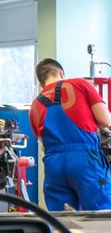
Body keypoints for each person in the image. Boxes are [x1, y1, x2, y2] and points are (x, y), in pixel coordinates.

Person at [29, 58, 111, 211]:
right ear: (61, 73)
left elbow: (42, 140)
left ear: (41, 84)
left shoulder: (34, 105)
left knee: (62, 220)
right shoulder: (79, 84)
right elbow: (106, 120)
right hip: (85, 160)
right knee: (100, 215)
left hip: (54, 166)